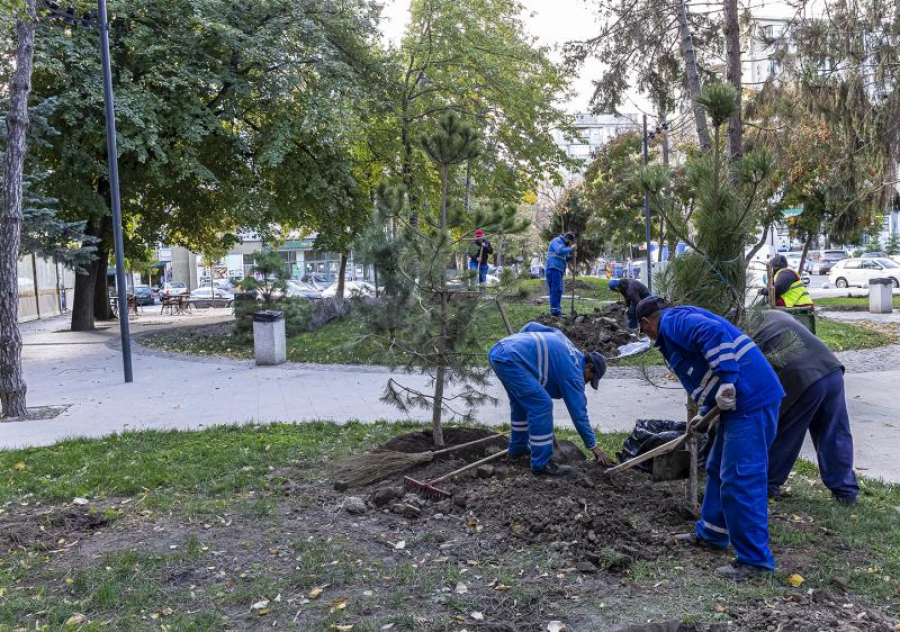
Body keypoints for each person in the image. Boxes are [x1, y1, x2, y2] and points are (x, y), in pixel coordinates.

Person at [635, 296, 785, 581]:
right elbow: (704, 373)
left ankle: (755, 561)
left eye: (643, 331)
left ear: (646, 322)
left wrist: (728, 379)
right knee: (717, 469)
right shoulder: (674, 326)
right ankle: (713, 534)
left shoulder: (673, 321)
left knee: (741, 477)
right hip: (736, 403)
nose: (647, 337)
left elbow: (712, 333)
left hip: (750, 399)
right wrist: (703, 412)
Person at [751, 310, 859, 505]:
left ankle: (768, 486)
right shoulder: (773, 313)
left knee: (786, 432)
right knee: (835, 432)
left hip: (802, 378)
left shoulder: (743, 333)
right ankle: (846, 491)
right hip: (831, 369)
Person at [488, 322, 614, 476]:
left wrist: (519, 344)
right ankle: (541, 465)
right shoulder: (574, 374)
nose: (586, 383)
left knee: (521, 403)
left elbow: (530, 326)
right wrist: (594, 448)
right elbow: (579, 415)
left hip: (501, 350)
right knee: (542, 405)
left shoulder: (566, 342)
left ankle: (518, 448)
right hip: (510, 360)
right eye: (590, 379)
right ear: (589, 367)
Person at [547, 232, 576, 317]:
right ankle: (554, 312)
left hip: (559, 269)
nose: (570, 245)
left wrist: (572, 256)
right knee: (555, 289)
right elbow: (559, 251)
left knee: (559, 290)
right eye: (570, 243)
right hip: (553, 268)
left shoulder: (564, 245)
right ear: (568, 239)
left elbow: (565, 258)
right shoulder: (556, 240)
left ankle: (557, 310)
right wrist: (571, 248)